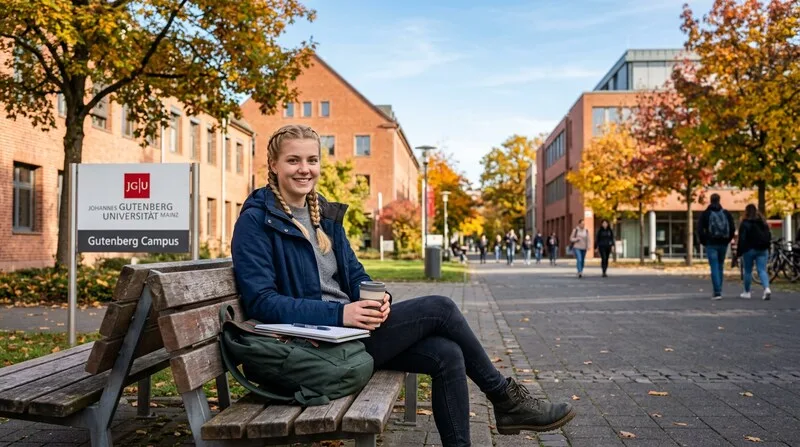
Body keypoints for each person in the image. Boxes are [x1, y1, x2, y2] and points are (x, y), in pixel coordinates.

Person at [230, 125, 575, 447]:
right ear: (273, 165)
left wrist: (379, 299)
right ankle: (505, 398)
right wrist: (341, 314)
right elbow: (262, 302)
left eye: (312, 160)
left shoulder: (324, 216)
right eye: (293, 160)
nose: (304, 169)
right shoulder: (257, 221)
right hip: (313, 344)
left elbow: (356, 275)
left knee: (447, 354)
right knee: (441, 307)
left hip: (347, 334)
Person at [697, 193, 736, 300]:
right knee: (720, 266)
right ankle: (719, 290)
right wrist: (727, 240)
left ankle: (717, 291)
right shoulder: (726, 213)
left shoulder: (706, 214)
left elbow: (700, 230)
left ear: (710, 200)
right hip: (723, 243)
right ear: (719, 200)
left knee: (714, 266)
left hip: (711, 243)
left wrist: (704, 241)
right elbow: (732, 228)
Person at [736, 204, 772, 300]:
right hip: (762, 249)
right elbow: (768, 235)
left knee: (748, 271)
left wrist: (739, 252)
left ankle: (747, 292)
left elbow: (742, 239)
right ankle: (766, 288)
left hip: (749, 249)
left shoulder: (744, 223)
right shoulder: (763, 222)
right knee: (762, 270)